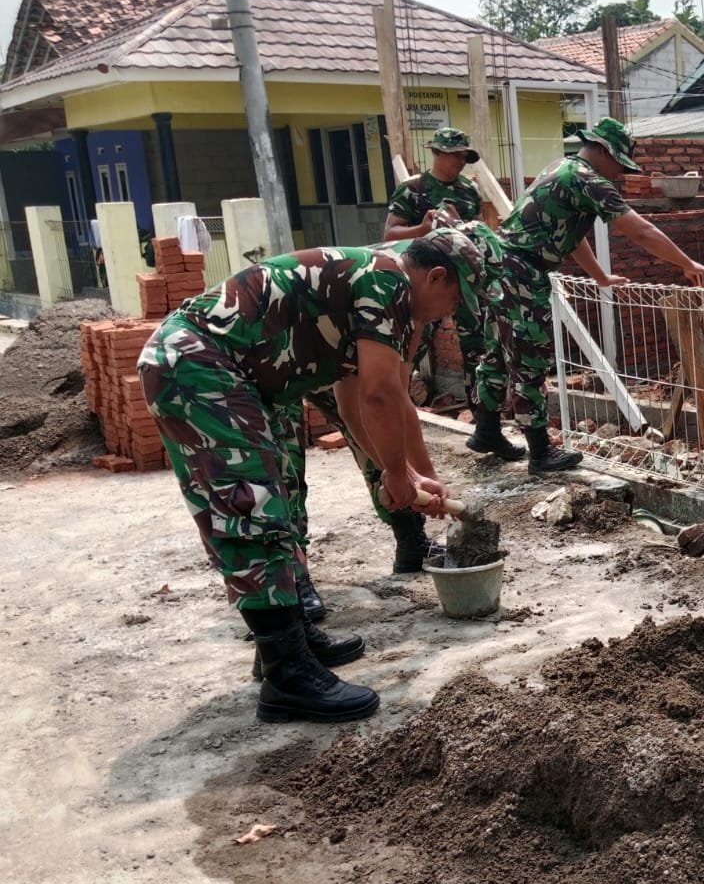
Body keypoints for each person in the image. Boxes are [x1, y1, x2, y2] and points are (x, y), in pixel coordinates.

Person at [137, 228, 486, 724]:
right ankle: (287, 676)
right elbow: (381, 395)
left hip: (234, 374)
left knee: (277, 494)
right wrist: (396, 476)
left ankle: (288, 642)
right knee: (251, 506)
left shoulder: (373, 285)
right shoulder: (389, 285)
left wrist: (403, 472)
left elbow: (352, 399)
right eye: (454, 299)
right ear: (434, 276)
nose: (449, 313)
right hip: (199, 364)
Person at [490, 117, 704, 472]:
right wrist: (686, 263)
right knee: (529, 359)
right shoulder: (587, 180)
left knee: (499, 353)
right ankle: (541, 453)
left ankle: (486, 431)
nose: (620, 174)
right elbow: (640, 231)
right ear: (603, 151)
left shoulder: (561, 168)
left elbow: (571, 236)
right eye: (619, 164)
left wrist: (600, 276)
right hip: (521, 271)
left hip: (502, 265)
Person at [384, 127, 525, 464]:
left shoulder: (468, 189)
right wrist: (424, 228)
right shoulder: (414, 189)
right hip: (424, 284)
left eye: (465, 156)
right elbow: (390, 233)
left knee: (480, 352)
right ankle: (392, 421)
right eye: (455, 155)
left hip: (461, 282)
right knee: (408, 349)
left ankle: (487, 429)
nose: (461, 161)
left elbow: (475, 233)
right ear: (437, 153)